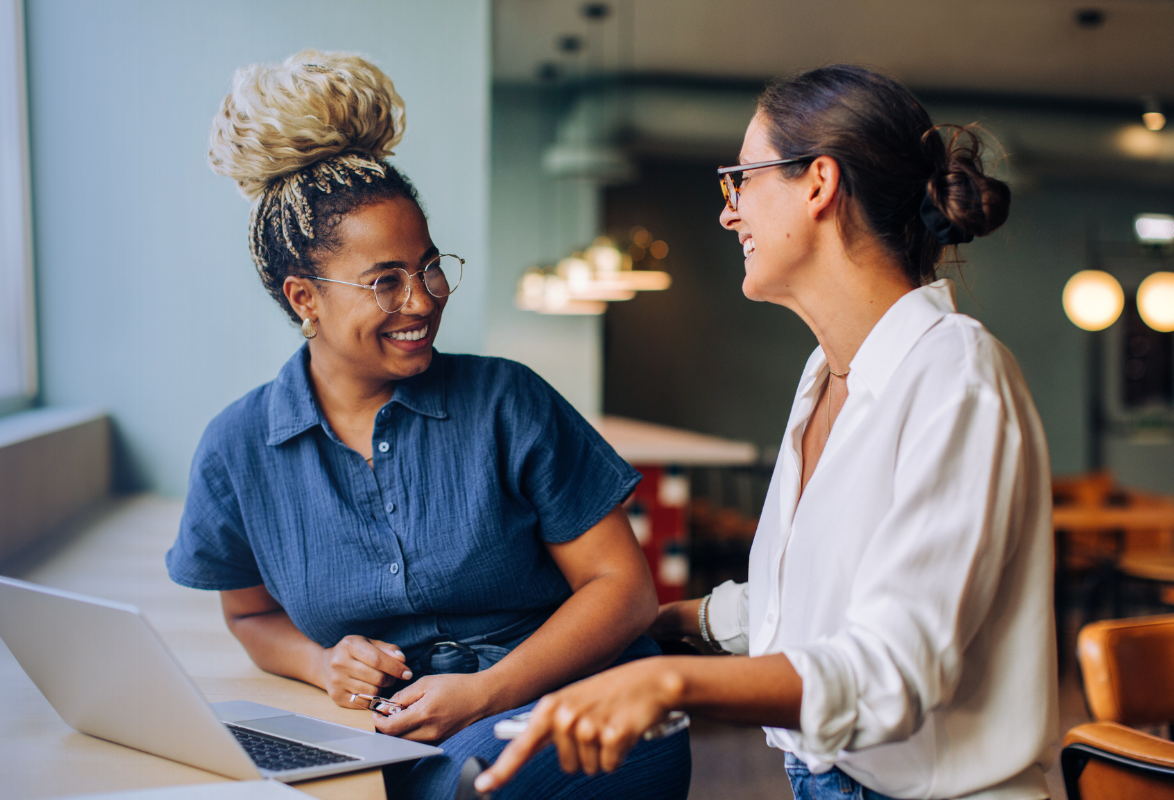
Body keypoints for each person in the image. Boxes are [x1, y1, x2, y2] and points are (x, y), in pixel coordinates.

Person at [477, 64, 1056, 800]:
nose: (729, 213)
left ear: (818, 183)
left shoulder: (956, 372)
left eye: (740, 181)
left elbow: (893, 669)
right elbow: (811, 598)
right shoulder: (825, 373)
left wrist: (670, 680)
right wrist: (657, 626)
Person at [164, 50, 691, 800]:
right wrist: (322, 663)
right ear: (303, 298)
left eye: (429, 266)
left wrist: (487, 691)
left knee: (457, 790)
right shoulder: (237, 447)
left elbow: (624, 589)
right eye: (386, 281)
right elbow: (248, 613)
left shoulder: (509, 401)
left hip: (589, 701)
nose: (424, 299)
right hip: (403, 726)